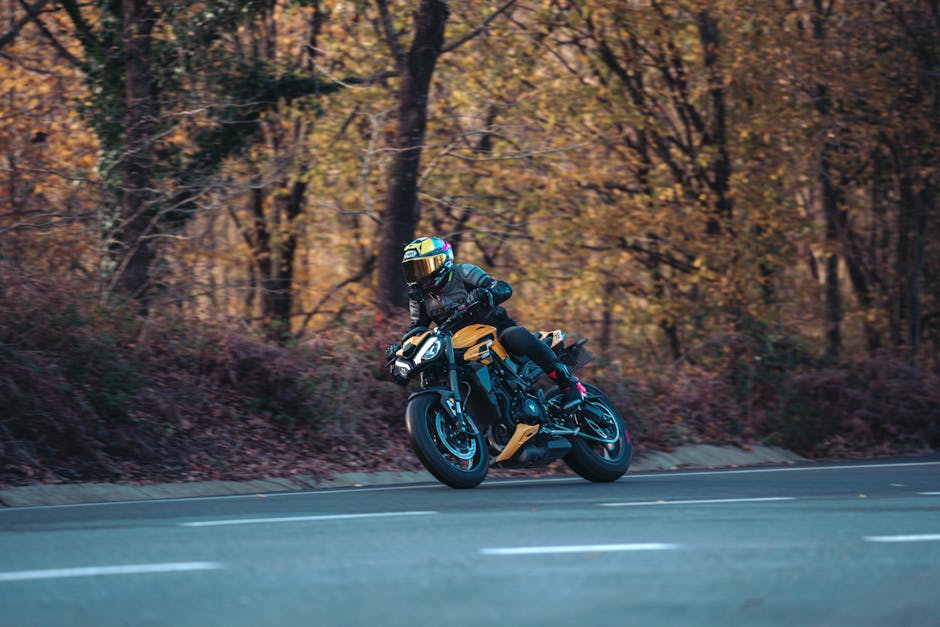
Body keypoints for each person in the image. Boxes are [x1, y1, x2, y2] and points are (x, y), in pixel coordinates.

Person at [392, 235, 585, 410]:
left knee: (515, 336)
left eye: (423, 267)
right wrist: (403, 348)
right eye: (414, 270)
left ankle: (569, 384)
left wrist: (486, 292)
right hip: (458, 343)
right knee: (435, 368)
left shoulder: (463, 272)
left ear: (441, 262)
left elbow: (501, 287)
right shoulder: (419, 298)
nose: (419, 275)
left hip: (495, 330)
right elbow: (417, 328)